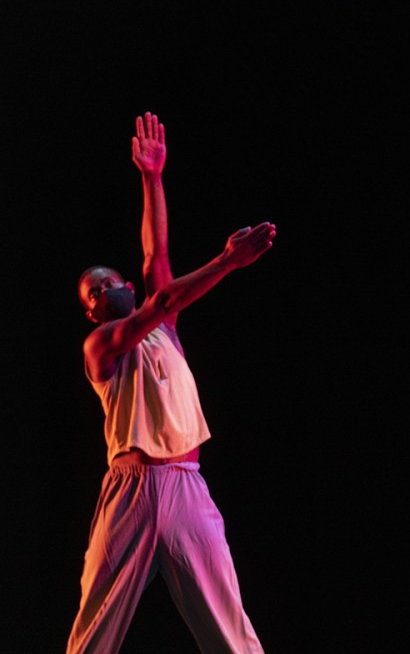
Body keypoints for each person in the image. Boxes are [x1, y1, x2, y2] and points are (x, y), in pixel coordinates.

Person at [67, 111, 274, 653]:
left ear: (127, 287)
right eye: (92, 295)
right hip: (130, 490)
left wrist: (153, 178)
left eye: (107, 282)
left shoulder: (165, 332)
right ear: (92, 314)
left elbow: (157, 258)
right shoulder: (101, 347)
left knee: (231, 627)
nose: (101, 291)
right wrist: (226, 262)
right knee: (94, 627)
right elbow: (162, 299)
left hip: (185, 485)